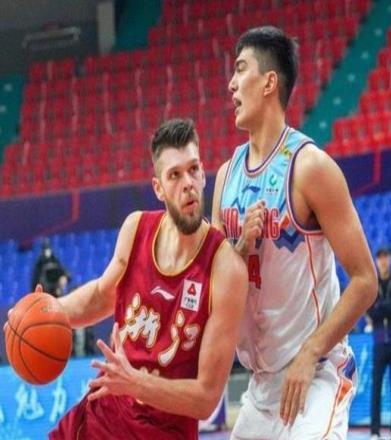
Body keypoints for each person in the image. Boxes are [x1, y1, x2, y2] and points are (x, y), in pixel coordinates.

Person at [211, 26, 377, 439]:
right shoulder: (225, 176)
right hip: (261, 385)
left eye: (240, 69)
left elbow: (365, 281)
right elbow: (212, 279)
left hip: (315, 374)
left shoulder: (310, 166)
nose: (231, 84)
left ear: (269, 82)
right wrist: (238, 247)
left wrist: (311, 352)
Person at [44, 119, 248, 439]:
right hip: (105, 415)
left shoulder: (226, 269)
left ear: (203, 174)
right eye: (174, 175)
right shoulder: (135, 228)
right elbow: (100, 296)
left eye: (193, 169)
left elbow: (207, 397)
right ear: (158, 188)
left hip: (163, 431)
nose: (188, 184)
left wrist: (135, 383)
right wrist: (47, 310)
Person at [366, 247, 391, 440]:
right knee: (376, 388)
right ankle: (375, 431)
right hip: (379, 342)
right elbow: (370, 311)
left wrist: (379, 306)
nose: (383, 261)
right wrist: (383, 307)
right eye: (380, 258)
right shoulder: (374, 284)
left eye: (386, 257)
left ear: (390, 259)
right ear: (376, 261)